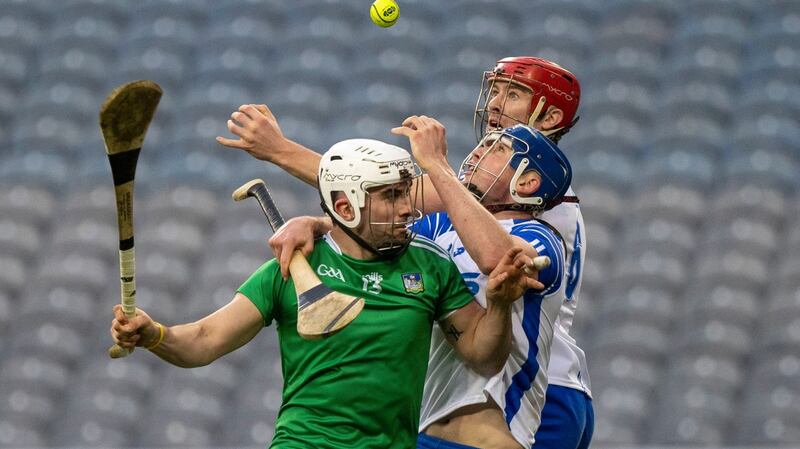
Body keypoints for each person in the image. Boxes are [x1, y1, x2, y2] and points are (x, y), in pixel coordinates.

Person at [218, 56, 593, 449]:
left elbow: (385, 190)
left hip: (538, 387)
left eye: (513, 94)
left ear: (549, 118)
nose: (495, 103)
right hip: (495, 388)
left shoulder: (539, 196)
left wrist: (279, 150)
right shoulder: (476, 201)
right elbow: (382, 216)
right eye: (496, 90)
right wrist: (319, 223)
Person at [109, 139, 544, 449]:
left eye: (405, 193)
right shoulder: (289, 269)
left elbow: (482, 356)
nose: (408, 208)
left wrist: (500, 304)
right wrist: (154, 334)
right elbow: (204, 341)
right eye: (390, 196)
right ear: (344, 206)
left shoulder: (430, 266)